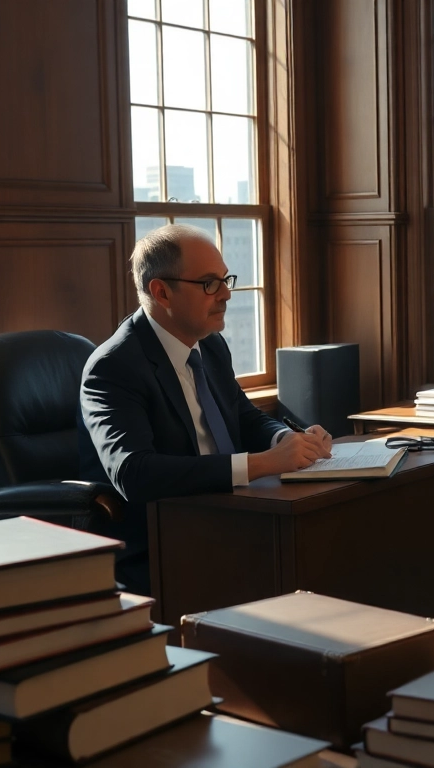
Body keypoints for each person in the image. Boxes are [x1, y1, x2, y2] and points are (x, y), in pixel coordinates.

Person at [78, 224, 332, 593]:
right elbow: (134, 472)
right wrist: (262, 463)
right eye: (210, 283)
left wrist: (287, 439)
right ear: (161, 291)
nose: (227, 293)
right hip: (162, 540)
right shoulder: (114, 366)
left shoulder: (210, 346)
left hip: (231, 516)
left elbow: (243, 416)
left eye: (226, 279)